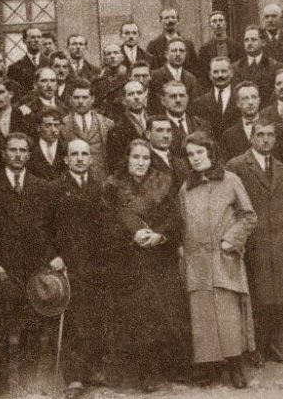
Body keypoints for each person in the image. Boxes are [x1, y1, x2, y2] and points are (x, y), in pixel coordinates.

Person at [102, 139, 191, 392]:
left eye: (145, 158)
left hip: (160, 257)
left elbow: (175, 218)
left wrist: (159, 235)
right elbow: (105, 221)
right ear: (127, 159)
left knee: (168, 311)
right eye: (136, 157)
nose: (141, 163)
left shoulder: (162, 182)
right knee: (139, 316)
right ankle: (145, 372)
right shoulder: (112, 186)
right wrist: (133, 234)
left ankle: (172, 367)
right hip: (129, 259)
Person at [178, 131, 257, 389]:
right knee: (203, 315)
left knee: (227, 313)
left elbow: (248, 216)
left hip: (224, 258)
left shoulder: (230, 180)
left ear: (210, 152)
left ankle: (235, 365)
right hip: (197, 261)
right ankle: (210, 366)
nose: (195, 158)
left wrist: (230, 241)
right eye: (190, 154)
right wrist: (184, 252)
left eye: (200, 152)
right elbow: (182, 224)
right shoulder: (186, 188)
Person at [0, 133, 55, 395]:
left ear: (29, 155)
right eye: (12, 150)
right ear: (4, 153)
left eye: (23, 150)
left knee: (32, 326)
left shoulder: (41, 187)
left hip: (33, 268)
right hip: (2, 268)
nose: (17, 155)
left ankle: (28, 382)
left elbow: (48, 228)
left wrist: (48, 259)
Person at [226, 120, 283, 366]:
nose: (266, 139)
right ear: (252, 138)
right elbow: (229, 204)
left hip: (279, 243)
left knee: (278, 297)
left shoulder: (280, 167)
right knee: (255, 298)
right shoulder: (237, 165)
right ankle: (253, 348)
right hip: (253, 242)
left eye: (270, 135)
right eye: (260, 135)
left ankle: (272, 344)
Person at [47, 138, 114, 398]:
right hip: (68, 264)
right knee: (73, 319)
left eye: (84, 154)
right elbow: (42, 227)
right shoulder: (55, 189)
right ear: (66, 159)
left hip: (96, 263)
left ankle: (93, 369)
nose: (79, 158)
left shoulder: (100, 187)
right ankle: (74, 376)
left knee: (96, 314)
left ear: (91, 158)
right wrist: (53, 255)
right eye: (74, 154)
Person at [59, 78, 115, 183]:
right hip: (74, 181)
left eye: (85, 97)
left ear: (92, 99)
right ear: (70, 99)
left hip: (101, 180)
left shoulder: (107, 123)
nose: (80, 101)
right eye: (76, 97)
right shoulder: (63, 125)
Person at [232, 25, 283, 106]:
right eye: (246, 40)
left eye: (253, 40)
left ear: (263, 42)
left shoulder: (275, 66)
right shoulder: (235, 67)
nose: (249, 43)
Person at [190, 56, 241, 136]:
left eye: (223, 71)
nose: (220, 75)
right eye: (216, 72)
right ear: (210, 75)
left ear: (231, 73)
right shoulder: (199, 103)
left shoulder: (241, 98)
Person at [106, 80, 151, 171]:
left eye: (139, 93)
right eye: (131, 94)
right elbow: (116, 164)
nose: (136, 97)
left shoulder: (155, 121)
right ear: (123, 100)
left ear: (145, 97)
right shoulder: (116, 130)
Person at [159, 80, 211, 159]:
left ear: (187, 98)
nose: (178, 100)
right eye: (173, 96)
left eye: (182, 96)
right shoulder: (157, 127)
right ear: (163, 101)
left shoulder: (202, 124)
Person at [150, 38, 202, 113]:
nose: (178, 54)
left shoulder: (191, 79)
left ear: (185, 54)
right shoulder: (155, 76)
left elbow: (193, 106)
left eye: (181, 51)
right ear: (166, 54)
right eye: (174, 51)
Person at [196, 11, 244, 85]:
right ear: (210, 25)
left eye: (221, 20)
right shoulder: (204, 50)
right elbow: (203, 75)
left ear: (226, 24)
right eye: (214, 21)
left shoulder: (237, 47)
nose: (218, 23)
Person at [146, 8, 199, 74]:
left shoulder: (188, 44)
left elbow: (194, 69)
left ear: (178, 21)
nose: (170, 20)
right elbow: (151, 70)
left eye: (173, 17)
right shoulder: (153, 45)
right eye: (166, 18)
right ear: (160, 21)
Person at [221, 81, 261, 160]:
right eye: (245, 98)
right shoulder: (228, 136)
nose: (250, 102)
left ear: (259, 101)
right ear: (238, 103)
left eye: (254, 97)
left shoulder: (274, 128)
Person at [27, 107, 67, 181]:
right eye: (48, 125)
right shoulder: (30, 148)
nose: (53, 130)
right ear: (38, 127)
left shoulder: (66, 148)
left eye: (56, 125)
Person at [93, 44, 129, 118]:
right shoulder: (98, 81)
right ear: (105, 59)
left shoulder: (128, 78)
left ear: (122, 57)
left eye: (116, 53)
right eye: (109, 54)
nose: (112, 56)